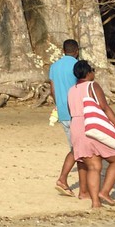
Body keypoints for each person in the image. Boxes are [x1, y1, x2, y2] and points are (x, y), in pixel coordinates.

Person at [67, 59, 115, 209]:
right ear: (88, 73)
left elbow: (70, 111)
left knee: (93, 165)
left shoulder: (72, 90)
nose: (94, 73)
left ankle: (95, 203)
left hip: (76, 126)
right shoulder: (92, 85)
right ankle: (104, 192)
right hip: (91, 125)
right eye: (92, 70)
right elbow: (104, 107)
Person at [49, 39, 81, 197]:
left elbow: (53, 90)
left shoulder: (54, 67)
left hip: (62, 112)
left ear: (63, 50)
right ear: (76, 51)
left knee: (76, 148)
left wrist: (59, 106)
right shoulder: (77, 66)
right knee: (78, 149)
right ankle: (63, 179)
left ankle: (85, 190)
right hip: (77, 112)